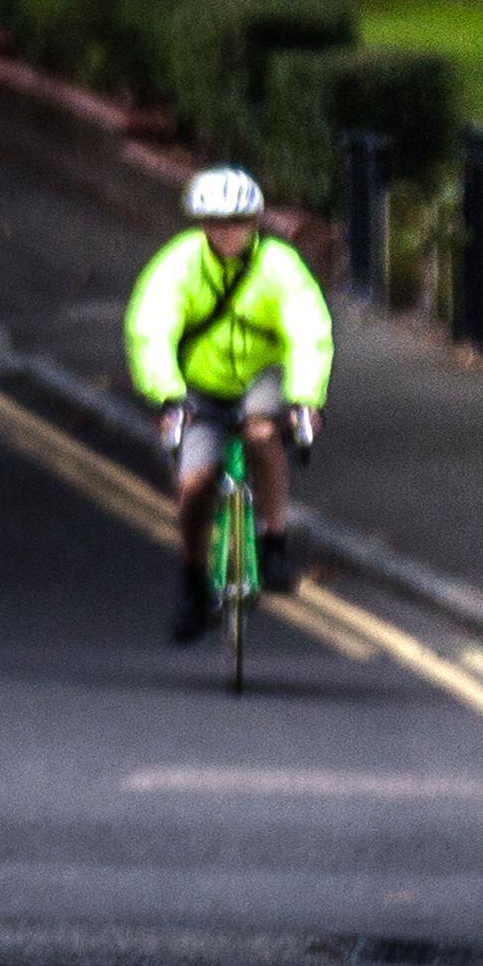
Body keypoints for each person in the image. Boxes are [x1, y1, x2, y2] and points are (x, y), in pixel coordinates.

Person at [126, 164, 333, 642]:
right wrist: (168, 394)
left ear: (255, 221)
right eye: (217, 222)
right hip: (197, 387)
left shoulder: (280, 266)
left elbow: (309, 331)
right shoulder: (177, 265)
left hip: (262, 375)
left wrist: (305, 398)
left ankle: (274, 542)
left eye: (238, 221)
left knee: (262, 431)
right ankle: (193, 580)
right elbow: (151, 330)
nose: (229, 231)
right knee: (196, 483)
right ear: (201, 224)